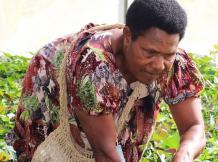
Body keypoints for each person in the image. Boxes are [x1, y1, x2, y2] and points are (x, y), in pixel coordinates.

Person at [8, 0, 206, 161]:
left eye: (168, 54)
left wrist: (184, 155)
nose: (158, 64)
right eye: (149, 52)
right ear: (128, 36)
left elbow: (193, 127)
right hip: (54, 81)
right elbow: (105, 153)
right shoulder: (93, 65)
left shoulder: (175, 63)